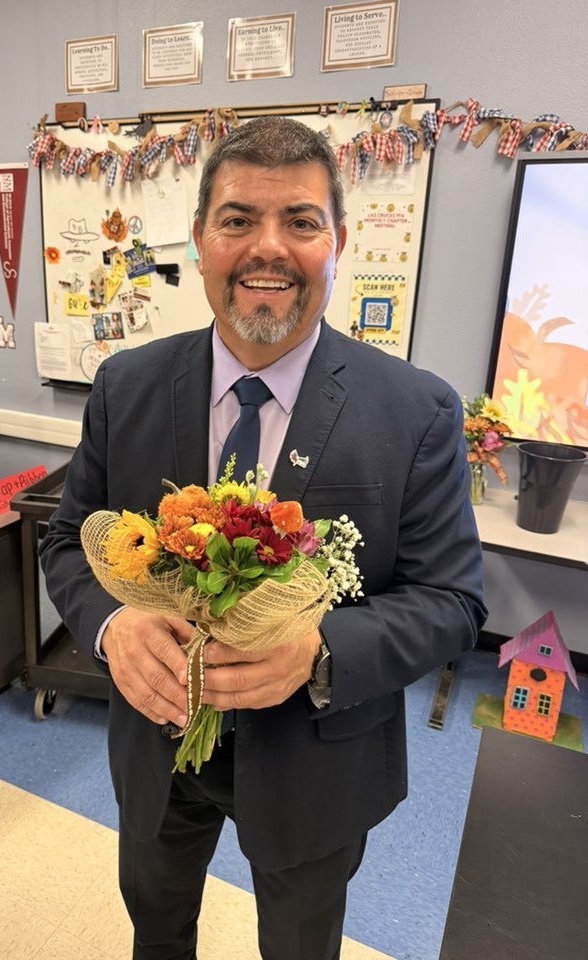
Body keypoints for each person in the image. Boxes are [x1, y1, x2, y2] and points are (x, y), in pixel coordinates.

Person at [40, 116, 487, 960]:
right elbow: (69, 541)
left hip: (316, 755)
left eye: (301, 222)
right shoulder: (125, 386)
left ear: (338, 241)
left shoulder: (415, 410)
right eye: (239, 219)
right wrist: (112, 622)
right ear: (201, 239)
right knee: (157, 927)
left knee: (298, 945)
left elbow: (454, 602)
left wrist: (319, 650)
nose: (267, 249)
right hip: (156, 741)